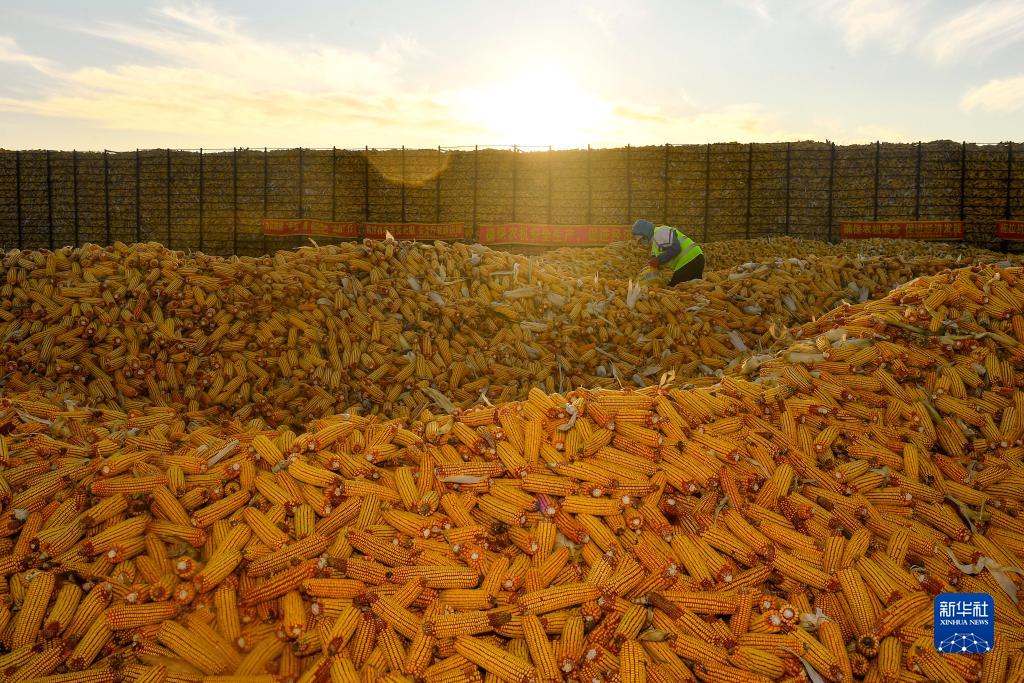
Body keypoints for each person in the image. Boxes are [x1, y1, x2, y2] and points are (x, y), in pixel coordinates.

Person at [631, 219, 705, 285]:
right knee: (693, 288)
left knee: (675, 288)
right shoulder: (655, 243)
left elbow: (675, 248)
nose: (642, 242)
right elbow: (656, 258)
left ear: (645, 233)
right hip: (694, 259)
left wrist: (658, 260)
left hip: (690, 260)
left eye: (642, 239)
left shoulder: (660, 232)